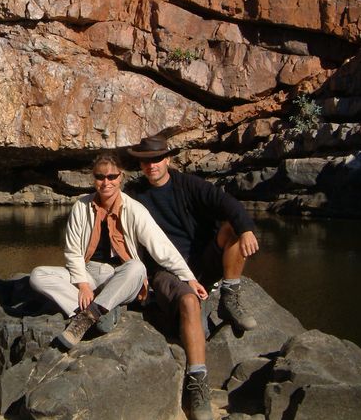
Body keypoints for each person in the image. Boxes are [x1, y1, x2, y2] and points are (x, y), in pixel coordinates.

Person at [30, 153, 214, 420]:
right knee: (38, 275)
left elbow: (161, 248)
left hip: (121, 274)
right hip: (90, 273)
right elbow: (72, 252)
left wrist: (189, 278)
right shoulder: (81, 206)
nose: (106, 182)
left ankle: (91, 314)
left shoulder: (133, 208)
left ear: (121, 178)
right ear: (93, 179)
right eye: (100, 177)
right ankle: (99, 311)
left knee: (137, 268)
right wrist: (82, 285)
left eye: (112, 176)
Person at [127, 135, 260, 334]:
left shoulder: (187, 184)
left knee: (232, 228)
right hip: (166, 269)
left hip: (202, 260)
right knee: (200, 330)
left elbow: (224, 201)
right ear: (140, 164)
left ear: (167, 160)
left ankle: (229, 296)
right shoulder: (134, 194)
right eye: (146, 161)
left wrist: (246, 229)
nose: (151, 165)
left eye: (157, 159)